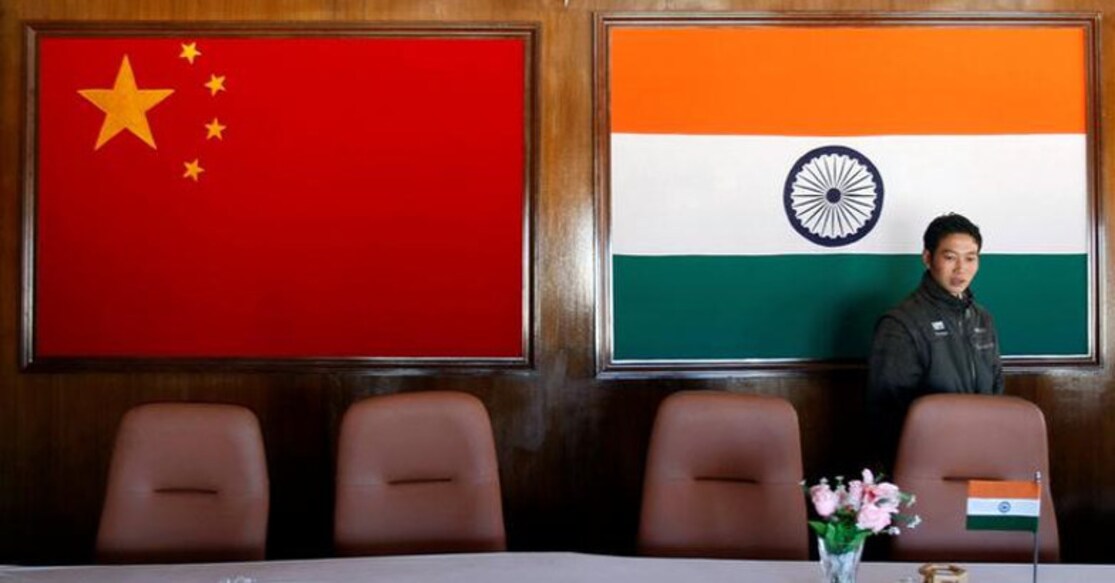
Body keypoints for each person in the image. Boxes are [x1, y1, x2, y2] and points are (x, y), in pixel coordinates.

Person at [867, 213, 1004, 468]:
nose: (961, 269)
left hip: (982, 452)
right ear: (928, 258)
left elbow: (996, 388)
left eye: (970, 258)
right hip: (926, 461)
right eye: (950, 257)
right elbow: (888, 413)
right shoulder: (901, 322)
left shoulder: (982, 318)